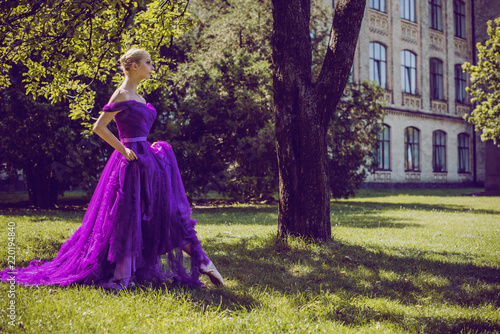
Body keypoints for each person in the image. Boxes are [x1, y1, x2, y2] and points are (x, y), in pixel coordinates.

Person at [0, 48, 224, 289]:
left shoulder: (138, 97)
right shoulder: (121, 94)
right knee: (127, 217)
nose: (152, 67)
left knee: (165, 213)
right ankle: (122, 277)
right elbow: (99, 127)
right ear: (134, 66)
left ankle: (202, 261)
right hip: (129, 163)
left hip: (147, 161)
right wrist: (123, 149)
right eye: (148, 63)